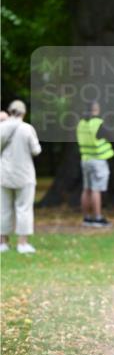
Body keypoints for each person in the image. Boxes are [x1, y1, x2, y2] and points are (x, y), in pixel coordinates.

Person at [1, 100, 41, 254]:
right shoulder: (27, 129)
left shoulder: (2, 127)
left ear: (10, 111)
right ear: (23, 113)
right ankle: (22, 243)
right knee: (24, 208)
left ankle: (3, 242)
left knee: (4, 209)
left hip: (4, 174)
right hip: (24, 174)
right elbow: (36, 150)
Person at [76, 101, 114, 227]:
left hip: (85, 158)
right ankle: (97, 218)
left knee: (86, 189)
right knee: (96, 190)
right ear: (95, 110)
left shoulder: (81, 123)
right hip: (98, 159)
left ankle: (86, 218)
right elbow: (109, 136)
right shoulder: (98, 123)